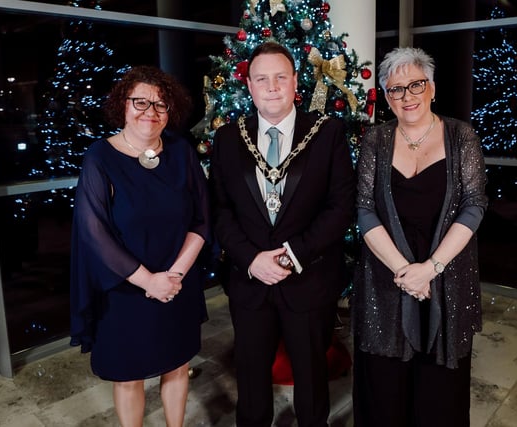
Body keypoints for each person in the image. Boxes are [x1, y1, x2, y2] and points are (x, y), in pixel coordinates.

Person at [210, 41, 355, 427]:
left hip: (308, 279)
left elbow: (341, 207)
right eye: (262, 79)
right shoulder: (227, 139)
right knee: (252, 380)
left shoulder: (327, 133)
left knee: (311, 378)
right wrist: (252, 259)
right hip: (250, 280)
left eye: (279, 77)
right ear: (250, 87)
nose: (271, 86)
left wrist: (292, 255)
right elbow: (221, 211)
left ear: (295, 83)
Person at [351, 47, 488, 427]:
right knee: (384, 390)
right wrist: (405, 272)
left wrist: (430, 268)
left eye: (416, 85)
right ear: (387, 97)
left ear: (431, 88)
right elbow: (364, 209)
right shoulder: (375, 141)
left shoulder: (462, 136)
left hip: (447, 280)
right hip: (385, 282)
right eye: (396, 89)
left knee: (439, 396)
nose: (408, 96)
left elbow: (474, 205)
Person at [69, 65, 210, 427]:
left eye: (160, 104)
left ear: (171, 110)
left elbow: (202, 220)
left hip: (177, 282)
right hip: (125, 288)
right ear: (123, 105)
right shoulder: (100, 158)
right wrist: (150, 281)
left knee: (177, 366)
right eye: (140, 102)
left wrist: (174, 276)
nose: (150, 111)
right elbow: (93, 232)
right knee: (129, 376)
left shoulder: (181, 152)